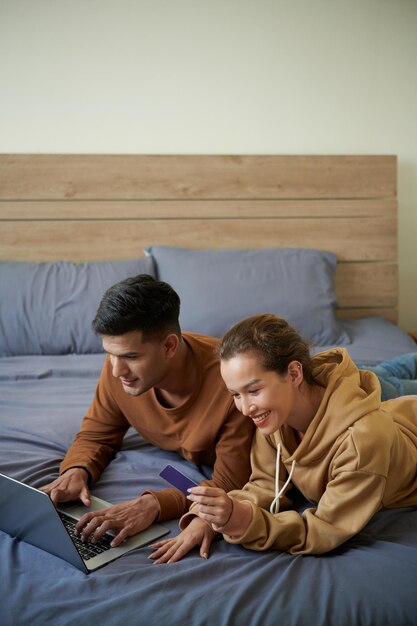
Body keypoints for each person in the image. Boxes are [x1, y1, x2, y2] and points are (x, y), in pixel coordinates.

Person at [41, 274, 254, 563]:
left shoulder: (231, 384)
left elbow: (229, 485)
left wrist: (154, 504)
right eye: (110, 354)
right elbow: (97, 434)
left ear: (168, 346)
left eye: (130, 356)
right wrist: (76, 470)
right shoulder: (118, 366)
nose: (117, 370)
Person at [187, 313, 417, 555]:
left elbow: (323, 529)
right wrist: (214, 517)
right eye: (235, 394)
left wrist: (245, 522)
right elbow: (265, 484)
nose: (245, 409)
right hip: (391, 412)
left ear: (295, 374)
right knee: (388, 373)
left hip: (402, 424)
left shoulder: (361, 443)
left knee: (391, 382)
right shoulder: (273, 417)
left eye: (253, 390)